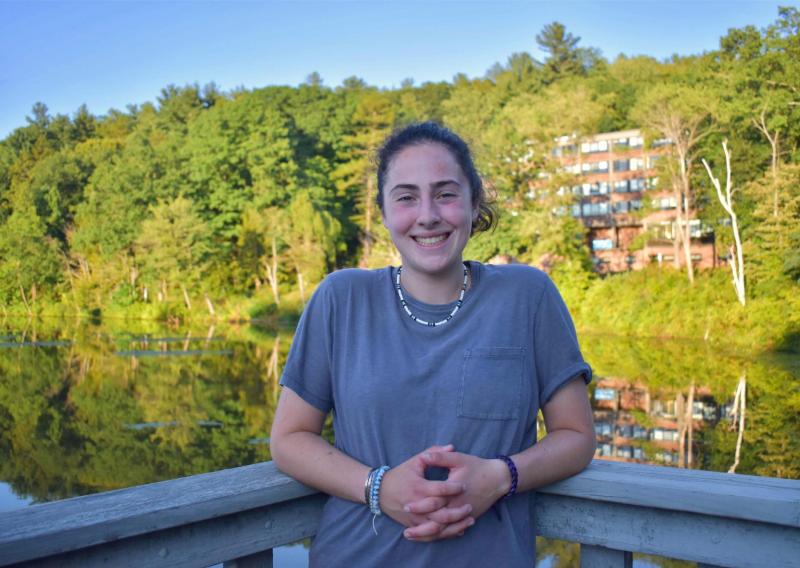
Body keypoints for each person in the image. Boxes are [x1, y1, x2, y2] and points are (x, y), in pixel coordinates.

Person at [270, 122, 596, 567]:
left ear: (473, 202)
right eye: (406, 197)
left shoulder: (528, 296)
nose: (427, 215)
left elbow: (576, 437)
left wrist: (501, 477)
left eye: (445, 193)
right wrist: (380, 487)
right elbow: (289, 439)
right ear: (384, 213)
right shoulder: (341, 299)